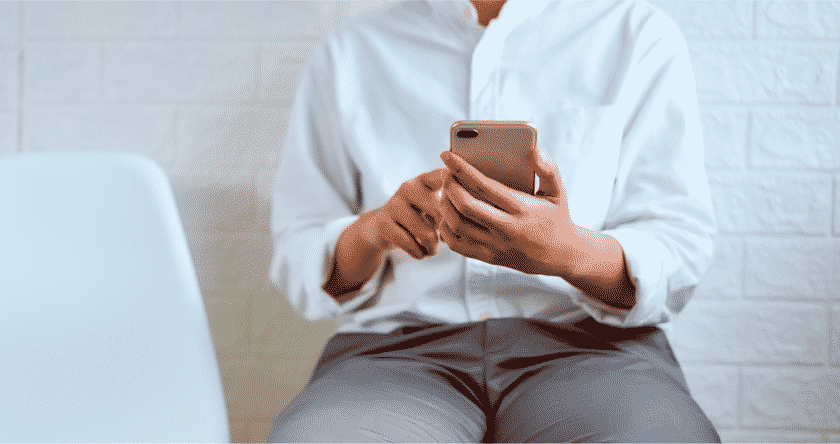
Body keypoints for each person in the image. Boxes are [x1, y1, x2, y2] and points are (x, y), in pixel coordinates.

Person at [266, 0, 721, 441]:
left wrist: (569, 252)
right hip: (396, 351)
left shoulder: (634, 33)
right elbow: (297, 250)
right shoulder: (351, 51)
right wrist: (372, 233)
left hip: (594, 347)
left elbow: (678, 242)